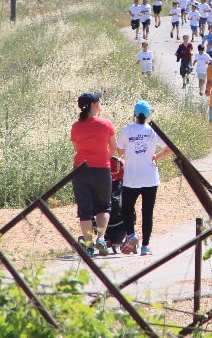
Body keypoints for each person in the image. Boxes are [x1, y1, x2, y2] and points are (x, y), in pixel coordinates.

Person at [116, 100, 171, 256]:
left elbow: (119, 151)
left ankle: (131, 235)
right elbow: (170, 148)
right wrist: (156, 156)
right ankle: (146, 246)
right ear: (148, 115)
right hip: (150, 178)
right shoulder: (152, 132)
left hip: (131, 178)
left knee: (126, 209)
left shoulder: (127, 130)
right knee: (147, 212)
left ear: (134, 114)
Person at [71, 92, 117, 257]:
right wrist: (105, 155)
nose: (100, 103)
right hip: (101, 168)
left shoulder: (76, 126)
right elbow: (113, 147)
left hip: (80, 169)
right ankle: (101, 238)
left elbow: (77, 148)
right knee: (104, 206)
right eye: (98, 101)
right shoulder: (106, 124)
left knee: (84, 209)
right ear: (92, 105)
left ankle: (89, 246)